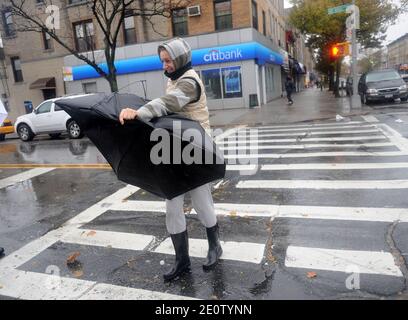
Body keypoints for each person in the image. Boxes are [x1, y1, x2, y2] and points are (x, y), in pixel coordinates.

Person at [119, 38, 222, 281]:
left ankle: (215, 245)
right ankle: (182, 261)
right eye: (162, 60)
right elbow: (169, 109)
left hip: (197, 149)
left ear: (180, 59)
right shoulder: (173, 78)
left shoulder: (189, 82)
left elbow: (168, 103)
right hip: (175, 147)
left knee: (201, 202)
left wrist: (141, 112)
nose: (164, 65)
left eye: (168, 60)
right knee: (172, 203)